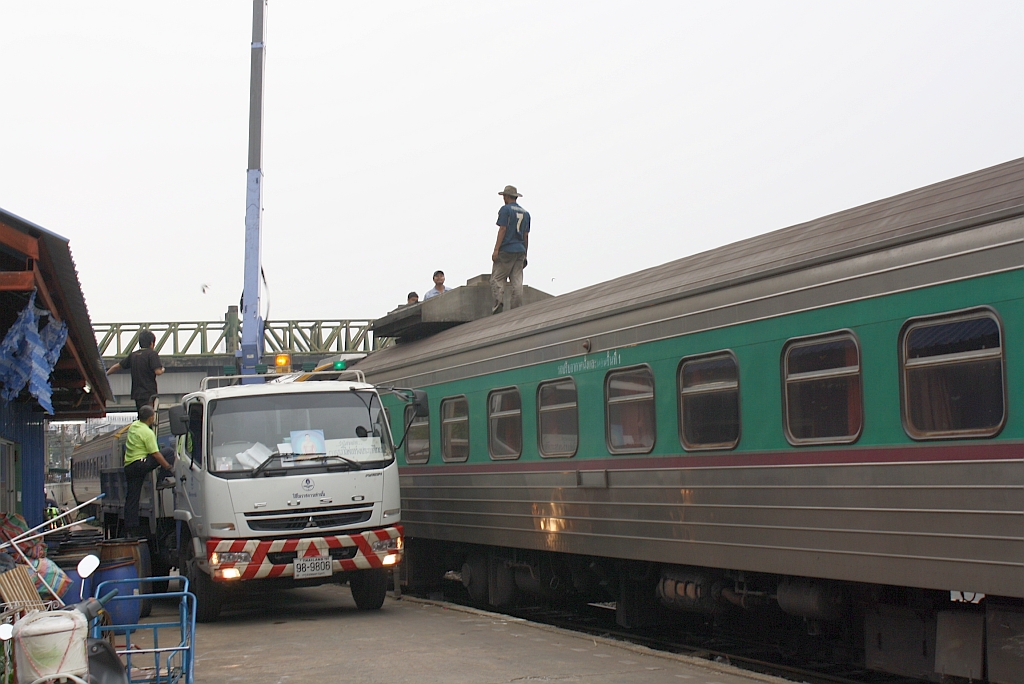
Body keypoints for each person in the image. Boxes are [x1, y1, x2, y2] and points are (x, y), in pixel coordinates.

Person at [123, 405, 175, 538]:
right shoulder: (147, 433)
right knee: (168, 452)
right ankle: (162, 480)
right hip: (141, 464)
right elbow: (156, 454)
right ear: (151, 417)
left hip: (129, 466)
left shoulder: (134, 427)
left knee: (132, 498)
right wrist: (169, 468)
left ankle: (131, 528)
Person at [490, 185, 531, 314]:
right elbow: (526, 235)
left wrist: (496, 249)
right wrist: (525, 253)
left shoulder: (505, 210)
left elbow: (502, 229)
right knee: (517, 280)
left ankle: (498, 303)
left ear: (506, 197)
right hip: (520, 249)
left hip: (506, 249)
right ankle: (516, 308)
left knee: (497, 278)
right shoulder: (526, 213)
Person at [106, 330, 165, 410]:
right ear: (151, 343)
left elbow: (117, 366)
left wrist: (106, 374)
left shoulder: (133, 355)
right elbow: (158, 372)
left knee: (141, 415)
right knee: (150, 416)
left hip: (137, 394)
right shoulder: (152, 354)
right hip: (149, 393)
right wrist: (163, 369)